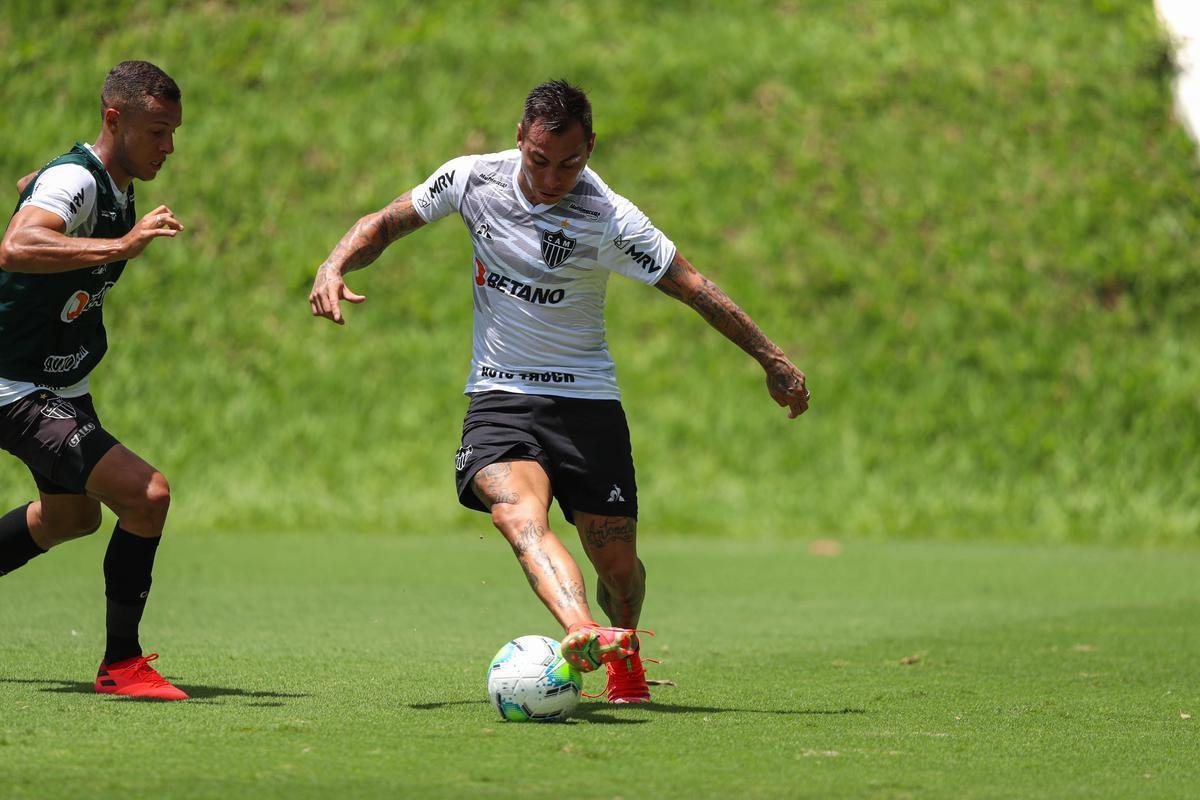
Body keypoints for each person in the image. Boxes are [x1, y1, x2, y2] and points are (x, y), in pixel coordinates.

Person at [309, 80, 809, 704]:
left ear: (590, 148)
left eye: (569, 163)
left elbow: (694, 287)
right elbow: (384, 224)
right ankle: (580, 632)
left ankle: (623, 645)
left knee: (620, 572)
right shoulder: (471, 181)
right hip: (500, 395)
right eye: (539, 159)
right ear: (520, 138)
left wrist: (772, 359)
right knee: (518, 517)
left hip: (586, 405)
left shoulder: (611, 217)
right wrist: (334, 264)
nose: (551, 177)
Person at [0, 61, 187, 701]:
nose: (168, 147)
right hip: (15, 386)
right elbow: (18, 245)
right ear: (115, 119)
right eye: (157, 131)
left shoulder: (99, 178)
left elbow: (39, 190)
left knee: (70, 518)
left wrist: (41, 186)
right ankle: (122, 665)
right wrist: (119, 245)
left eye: (173, 133)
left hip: (58, 382)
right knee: (148, 495)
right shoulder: (79, 178)